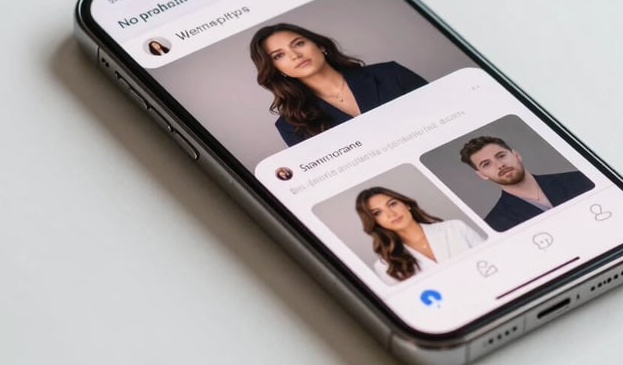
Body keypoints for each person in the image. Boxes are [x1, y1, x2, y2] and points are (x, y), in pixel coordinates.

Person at [250, 23, 427, 146]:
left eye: (299, 44)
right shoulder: (291, 126)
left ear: (320, 46)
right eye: (278, 56)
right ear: (276, 68)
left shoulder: (390, 73)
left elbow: (445, 112)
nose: (295, 55)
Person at [459, 136, 595, 232]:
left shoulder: (579, 179)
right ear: (482, 174)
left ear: (516, 155)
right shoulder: (495, 224)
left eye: (501, 156)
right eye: (486, 164)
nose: (500, 165)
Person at [355, 187, 486, 283]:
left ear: (406, 204)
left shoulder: (455, 227)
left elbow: (492, 258)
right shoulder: (385, 266)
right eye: (377, 213)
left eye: (392, 204)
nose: (391, 214)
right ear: (375, 222)